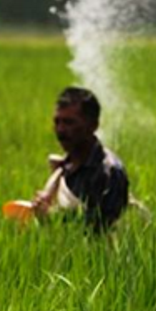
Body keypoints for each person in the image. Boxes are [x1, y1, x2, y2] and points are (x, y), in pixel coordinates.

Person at [32, 87, 129, 231]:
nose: (60, 130)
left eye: (69, 122)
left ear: (93, 126)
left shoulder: (109, 172)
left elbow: (103, 227)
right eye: (57, 122)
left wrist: (53, 216)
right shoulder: (63, 168)